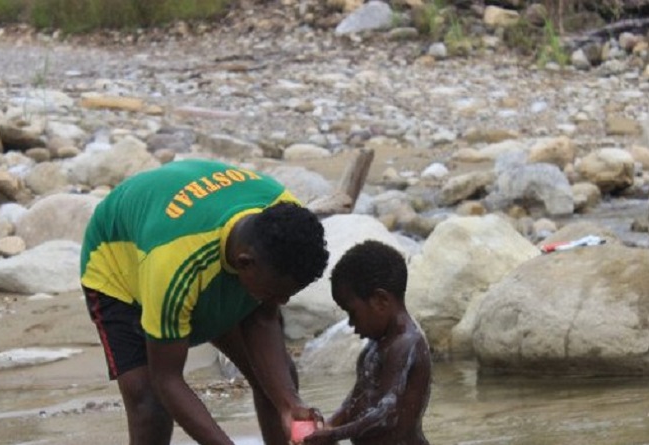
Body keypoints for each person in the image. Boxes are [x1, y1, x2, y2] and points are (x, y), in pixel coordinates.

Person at [80, 158, 329, 445]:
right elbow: (167, 380)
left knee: (278, 379)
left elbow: (264, 318)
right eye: (276, 292)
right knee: (149, 403)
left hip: (202, 243)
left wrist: (290, 404)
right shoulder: (174, 265)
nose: (283, 301)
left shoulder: (283, 218)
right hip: (120, 266)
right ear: (244, 263)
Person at [302, 240, 432, 445]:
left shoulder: (406, 344)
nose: (352, 325)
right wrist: (330, 425)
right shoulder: (374, 346)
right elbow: (356, 399)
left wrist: (335, 435)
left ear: (380, 301)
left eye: (352, 313)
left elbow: (386, 413)